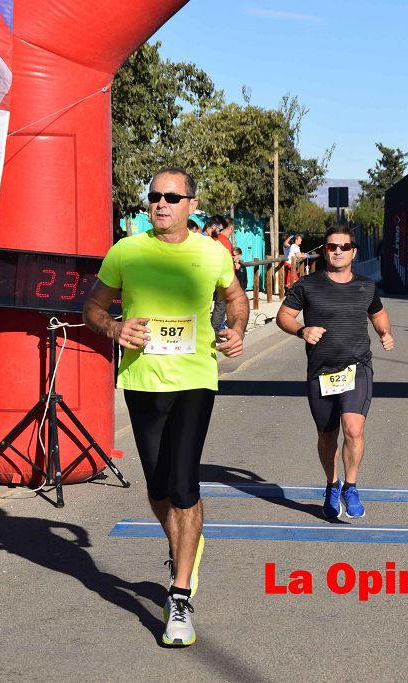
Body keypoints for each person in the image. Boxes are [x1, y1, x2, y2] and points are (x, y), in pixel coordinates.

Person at [82, 167, 249, 648]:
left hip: (195, 379)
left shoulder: (212, 252)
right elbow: (93, 306)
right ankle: (185, 547)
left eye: (172, 197)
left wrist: (235, 328)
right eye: (154, 196)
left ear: (191, 205)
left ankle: (179, 597)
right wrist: (114, 328)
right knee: (158, 485)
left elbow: (235, 298)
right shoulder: (126, 250)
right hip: (140, 381)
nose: (161, 204)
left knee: (182, 483)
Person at [276, 225, 394, 519]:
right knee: (327, 435)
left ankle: (351, 487)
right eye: (331, 246)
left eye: (343, 246)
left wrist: (385, 333)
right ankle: (332, 484)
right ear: (325, 251)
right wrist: (302, 330)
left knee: (353, 429)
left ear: (354, 251)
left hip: (357, 368)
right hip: (321, 372)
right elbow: (283, 317)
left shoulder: (366, 286)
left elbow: (378, 314)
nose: (338, 251)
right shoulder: (307, 285)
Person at [208, 215, 236, 333]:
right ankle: (214, 331)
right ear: (230, 228)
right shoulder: (224, 241)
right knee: (221, 305)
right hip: (223, 277)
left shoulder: (214, 238)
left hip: (213, 275)